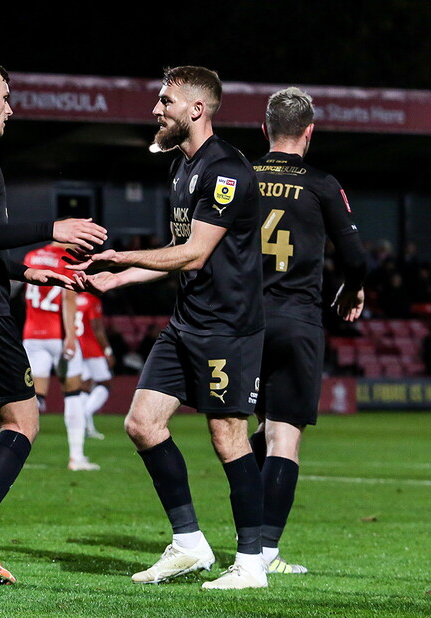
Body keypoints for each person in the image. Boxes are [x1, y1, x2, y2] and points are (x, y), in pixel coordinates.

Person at [71, 66, 267, 589]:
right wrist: (113, 281)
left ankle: (251, 564)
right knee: (141, 423)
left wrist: (120, 256)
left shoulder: (225, 169)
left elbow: (195, 253)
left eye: (166, 100)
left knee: (228, 437)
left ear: (196, 109)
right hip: (187, 323)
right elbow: (177, 254)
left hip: (228, 328)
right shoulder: (182, 169)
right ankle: (189, 545)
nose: (156, 109)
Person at [0, 56, 108, 584]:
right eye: (5, 96)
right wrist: (51, 229)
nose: (11, 106)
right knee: (23, 419)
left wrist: (29, 272)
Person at [249, 87, 366, 574]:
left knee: (248, 434)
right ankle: (266, 551)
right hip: (297, 320)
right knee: (284, 438)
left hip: (244, 322)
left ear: (265, 129)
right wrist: (350, 289)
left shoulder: (241, 176)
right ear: (310, 131)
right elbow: (356, 259)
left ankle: (245, 544)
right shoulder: (321, 184)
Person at [23, 241, 98, 471]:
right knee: (73, 393)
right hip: (58, 335)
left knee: (34, 399)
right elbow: (68, 297)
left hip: (32, 335)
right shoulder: (66, 259)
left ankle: (15, 453)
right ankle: (76, 457)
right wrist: (71, 337)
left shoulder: (32, 255)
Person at [75, 291, 115, 439]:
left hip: (77, 347)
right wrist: (108, 350)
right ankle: (86, 413)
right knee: (105, 382)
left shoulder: (73, 299)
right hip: (92, 348)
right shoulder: (92, 300)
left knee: (85, 385)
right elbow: (97, 328)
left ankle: (87, 426)